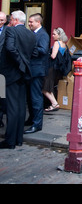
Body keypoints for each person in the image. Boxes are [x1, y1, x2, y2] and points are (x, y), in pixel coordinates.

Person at [0, 10, 37, 149]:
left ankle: (10, 141)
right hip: (24, 74)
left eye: (10, 20)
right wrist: (24, 65)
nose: (9, 22)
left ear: (15, 20)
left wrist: (20, 64)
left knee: (12, 108)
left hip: (12, 73)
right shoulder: (31, 34)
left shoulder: (11, 31)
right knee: (21, 107)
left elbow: (9, 48)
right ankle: (18, 139)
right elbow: (33, 53)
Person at [24, 13, 50, 133]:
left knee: (36, 98)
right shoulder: (34, 33)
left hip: (37, 70)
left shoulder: (43, 34)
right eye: (29, 22)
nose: (29, 24)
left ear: (38, 22)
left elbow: (43, 50)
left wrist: (29, 48)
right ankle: (31, 119)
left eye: (31, 22)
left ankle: (37, 124)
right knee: (30, 97)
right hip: (31, 70)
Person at [42, 27, 69, 112]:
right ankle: (54, 103)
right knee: (49, 87)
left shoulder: (57, 43)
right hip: (57, 69)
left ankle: (54, 103)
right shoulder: (65, 44)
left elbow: (53, 56)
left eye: (54, 34)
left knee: (44, 87)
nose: (52, 36)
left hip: (51, 68)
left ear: (59, 35)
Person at [0, 11, 8, 127]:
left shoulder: (8, 31)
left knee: (1, 95)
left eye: (2, 20)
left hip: (2, 68)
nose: (0, 22)